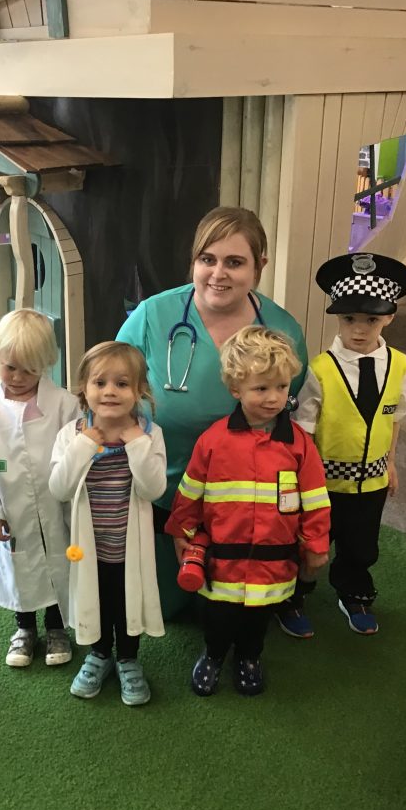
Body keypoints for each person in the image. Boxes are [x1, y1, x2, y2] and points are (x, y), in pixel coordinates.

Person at [117, 206, 309, 626]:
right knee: (165, 608)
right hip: (162, 492)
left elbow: (289, 410)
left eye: (234, 262)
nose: (218, 274)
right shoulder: (152, 316)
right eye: (207, 259)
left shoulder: (283, 330)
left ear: (259, 267)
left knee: (237, 612)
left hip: (244, 499)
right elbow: (110, 394)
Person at [165, 326, 330, 697]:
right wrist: (181, 531)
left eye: (282, 387)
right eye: (261, 388)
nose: (273, 398)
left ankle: (249, 657)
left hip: (274, 561)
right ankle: (213, 655)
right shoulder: (213, 440)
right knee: (217, 616)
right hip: (221, 559)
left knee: (258, 619)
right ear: (235, 389)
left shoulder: (300, 445)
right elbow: (190, 492)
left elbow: (316, 499)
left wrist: (317, 544)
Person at [294, 252, 406, 636]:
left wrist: (390, 463)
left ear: (389, 317)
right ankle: (293, 595)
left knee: (361, 545)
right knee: (311, 542)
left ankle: (354, 593)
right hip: (324, 483)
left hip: (372, 483)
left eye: (371, 320)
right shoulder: (320, 369)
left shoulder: (400, 365)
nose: (359, 330)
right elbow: (305, 430)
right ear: (338, 318)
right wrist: (305, 482)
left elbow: (395, 418)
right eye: (349, 319)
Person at [49, 341, 166, 706]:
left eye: (122, 383)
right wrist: (84, 446)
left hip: (129, 548)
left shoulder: (149, 435)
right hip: (89, 549)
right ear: (83, 388)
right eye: (100, 383)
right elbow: (59, 488)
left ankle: (128, 659)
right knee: (96, 602)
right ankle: (99, 655)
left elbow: (153, 489)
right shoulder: (71, 435)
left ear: (140, 390)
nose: (110, 391)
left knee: (127, 603)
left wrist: (137, 445)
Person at [0, 309, 80, 669]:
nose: (18, 378)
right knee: (18, 565)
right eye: (10, 367)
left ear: (46, 364)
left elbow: (75, 457)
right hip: (11, 504)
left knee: (57, 563)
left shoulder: (64, 405)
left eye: (29, 370)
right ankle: (24, 628)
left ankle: (57, 627)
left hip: (55, 504)